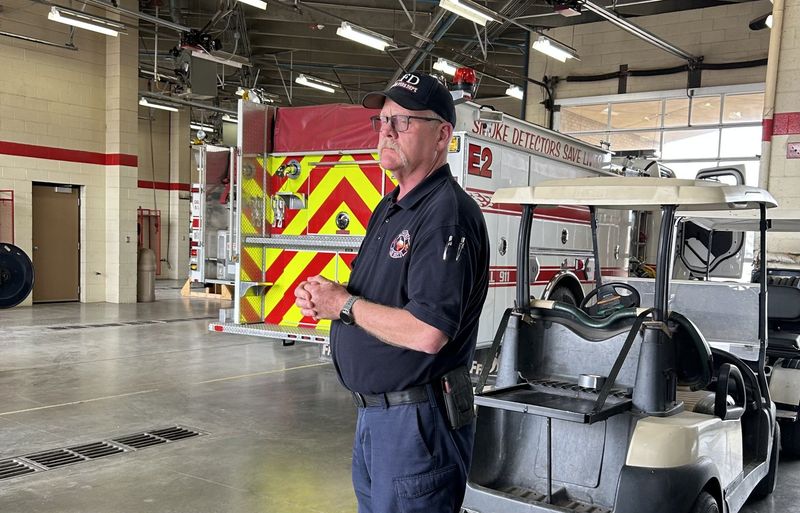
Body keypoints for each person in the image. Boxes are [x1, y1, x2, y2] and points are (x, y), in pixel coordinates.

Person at [294, 72, 490, 513]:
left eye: (403, 121)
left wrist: (344, 305)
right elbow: (376, 299)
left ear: (442, 135)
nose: (386, 131)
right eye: (382, 120)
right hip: (380, 418)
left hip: (417, 424)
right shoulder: (392, 207)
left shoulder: (446, 214)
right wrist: (329, 298)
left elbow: (427, 332)